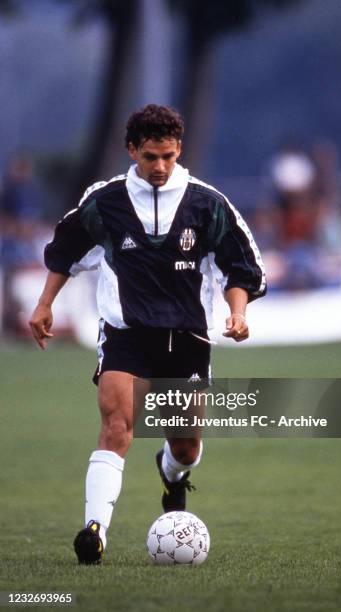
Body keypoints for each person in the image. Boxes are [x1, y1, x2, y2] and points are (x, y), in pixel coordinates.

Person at [29, 104, 266, 565]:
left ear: (179, 151)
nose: (160, 167)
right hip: (127, 332)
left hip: (188, 338)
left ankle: (171, 474)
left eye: (169, 157)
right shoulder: (105, 202)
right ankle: (94, 532)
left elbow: (242, 267)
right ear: (132, 149)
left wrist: (237, 313)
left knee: (185, 444)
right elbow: (64, 252)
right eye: (151, 156)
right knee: (116, 426)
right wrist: (43, 304)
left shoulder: (207, 203)